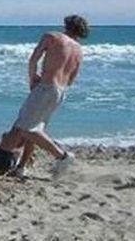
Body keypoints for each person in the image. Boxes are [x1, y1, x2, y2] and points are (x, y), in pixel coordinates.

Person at [13, 15, 90, 177]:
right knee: (36, 129)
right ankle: (22, 166)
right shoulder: (78, 50)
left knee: (25, 127)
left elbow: (33, 59)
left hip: (46, 87)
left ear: (66, 25)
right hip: (61, 91)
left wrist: (33, 79)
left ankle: (62, 156)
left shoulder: (52, 37)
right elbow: (71, 79)